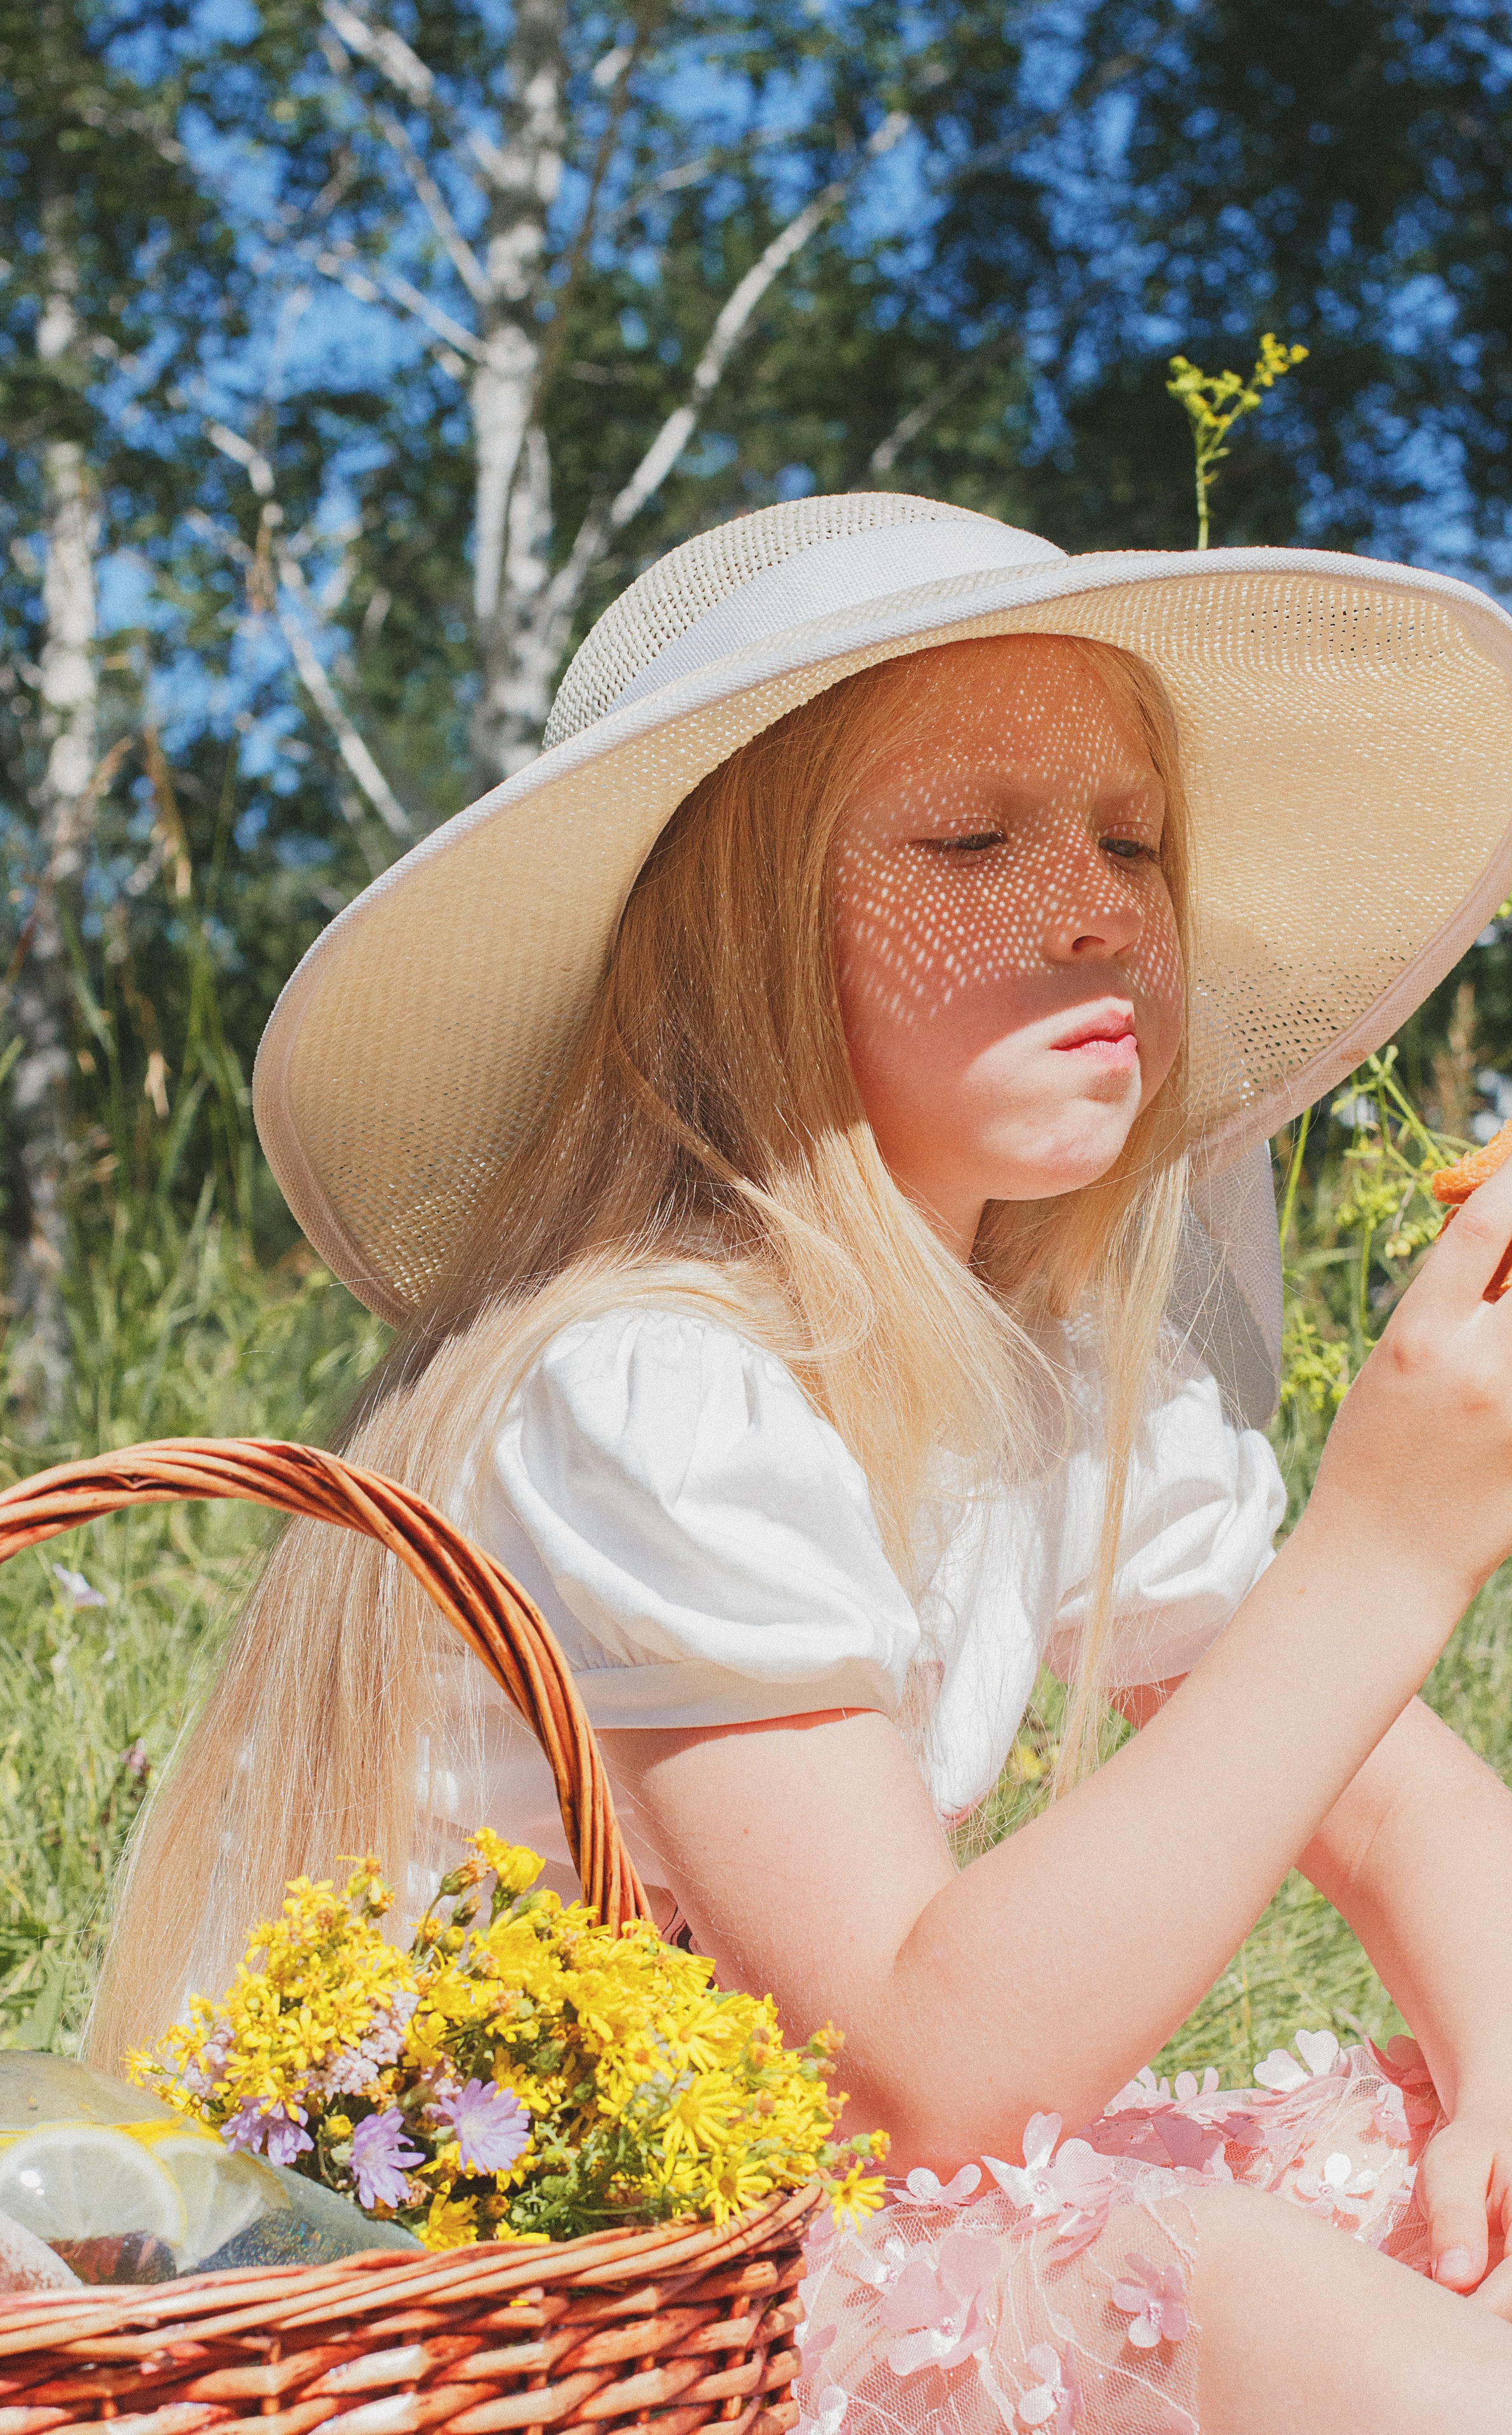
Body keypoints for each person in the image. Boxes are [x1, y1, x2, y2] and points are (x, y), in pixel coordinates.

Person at [96, 495, 1512, 2429]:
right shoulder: (654, 1377)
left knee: (1436, 2167)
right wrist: (1385, 1555)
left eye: (1133, 839)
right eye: (970, 840)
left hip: (760, 2236)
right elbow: (922, 2074)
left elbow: (1409, 1819)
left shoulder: (1054, 1379)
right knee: (1240, 2283)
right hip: (504, 2320)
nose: (1096, 906)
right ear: (739, 930)